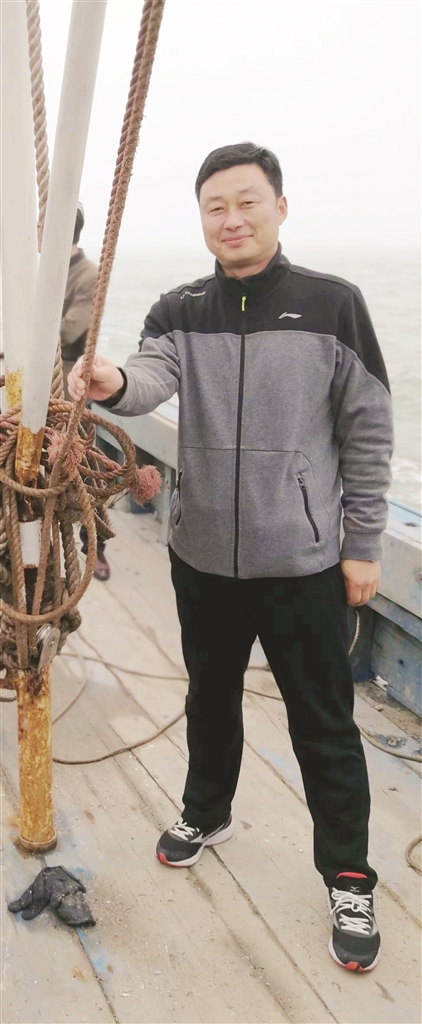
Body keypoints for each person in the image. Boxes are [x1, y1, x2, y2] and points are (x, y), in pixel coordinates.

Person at [68, 142, 393, 972]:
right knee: (209, 698)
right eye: (215, 206)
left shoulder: (333, 304)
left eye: (247, 201)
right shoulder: (178, 309)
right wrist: (108, 378)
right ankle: (206, 811)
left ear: (280, 206)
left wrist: (361, 545)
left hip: (304, 564)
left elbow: (368, 432)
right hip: (203, 557)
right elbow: (147, 379)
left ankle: (348, 874)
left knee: (324, 724)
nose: (232, 219)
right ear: (202, 219)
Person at [61, 204, 111, 582]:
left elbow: (67, 332)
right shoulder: (46, 272)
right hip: (37, 383)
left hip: (72, 385)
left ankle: (96, 546)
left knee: (85, 470)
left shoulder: (88, 275)